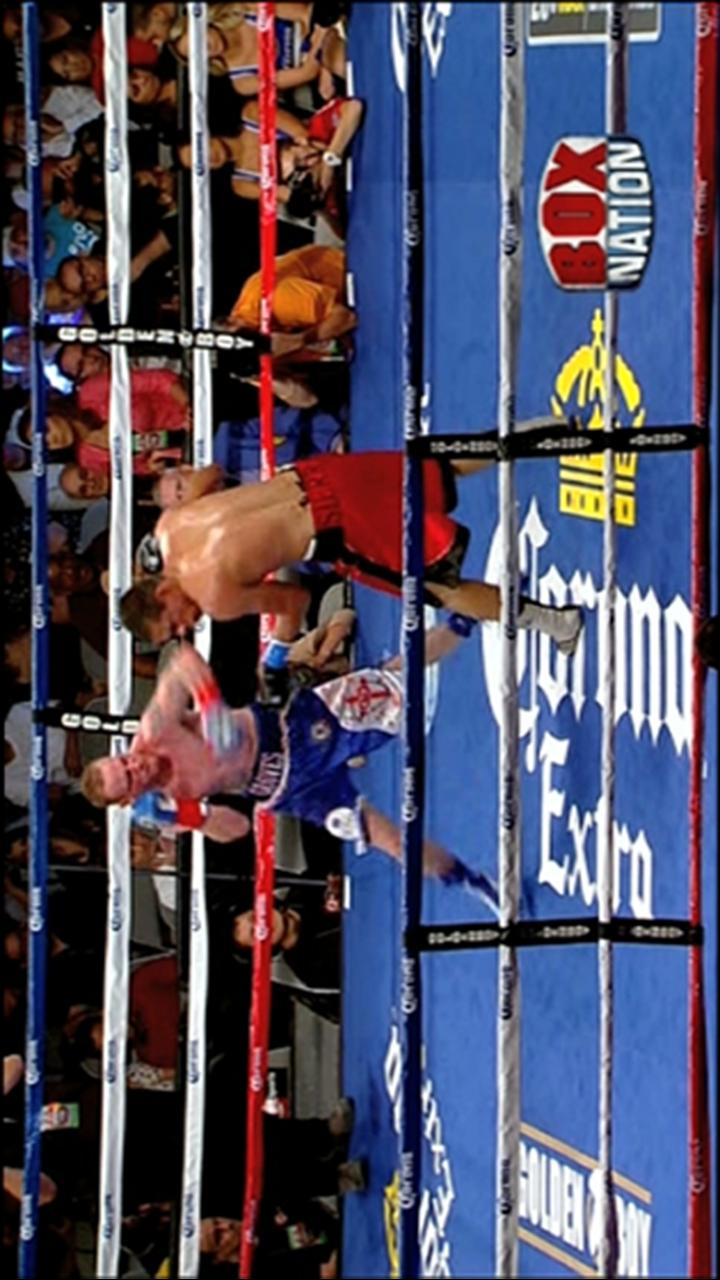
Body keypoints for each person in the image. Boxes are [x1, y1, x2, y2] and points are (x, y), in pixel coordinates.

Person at [80, 642, 500, 908]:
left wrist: (210, 705)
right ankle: (472, 881)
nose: (135, 766)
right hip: (288, 788)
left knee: (393, 678)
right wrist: (185, 816)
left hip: (294, 730)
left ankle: (464, 623)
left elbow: (181, 660)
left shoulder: (155, 729)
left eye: (125, 762)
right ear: (129, 799)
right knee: (388, 840)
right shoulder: (168, 805)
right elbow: (237, 827)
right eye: (129, 778)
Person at [119, 449, 584, 657]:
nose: (187, 628)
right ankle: (554, 434)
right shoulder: (169, 525)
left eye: (173, 625)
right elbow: (210, 473)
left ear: (161, 592)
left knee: (441, 590)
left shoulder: (214, 597)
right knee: (438, 469)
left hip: (336, 527)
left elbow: (294, 602)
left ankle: (557, 622)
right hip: (318, 475)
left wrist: (278, 657)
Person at [227, 245, 356, 360]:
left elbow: (346, 318)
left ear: (232, 322)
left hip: (352, 278)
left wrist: (298, 340)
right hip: (337, 306)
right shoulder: (248, 324)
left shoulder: (275, 301)